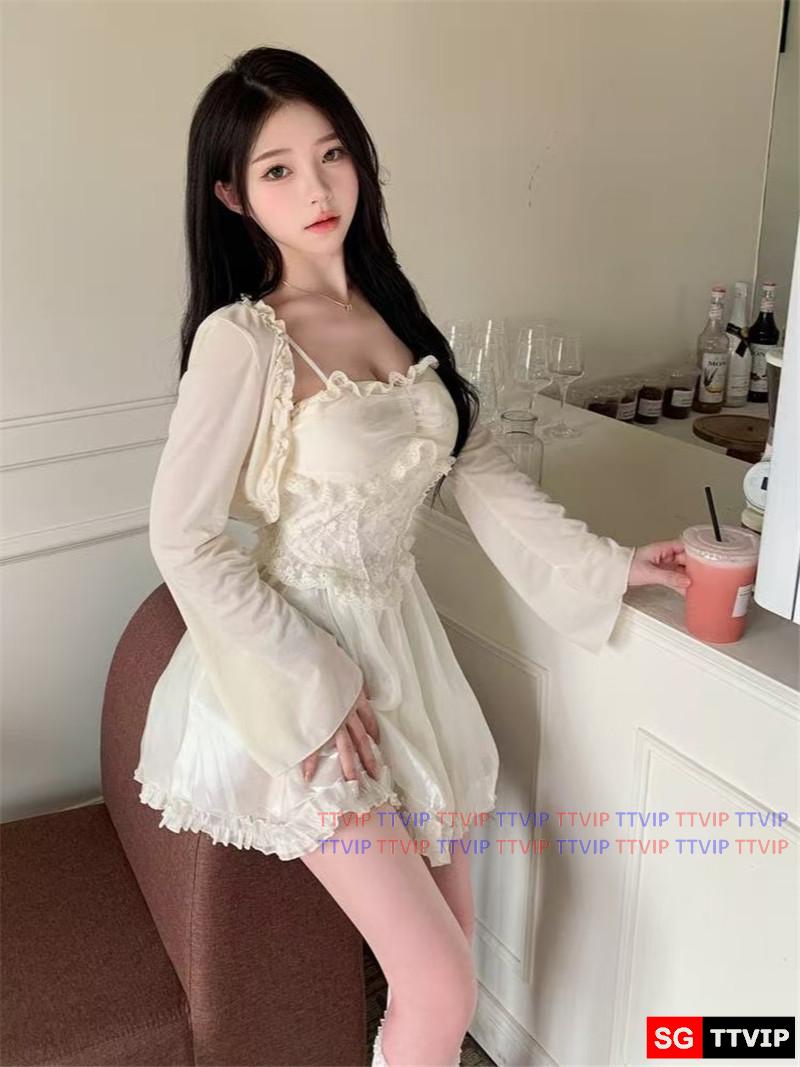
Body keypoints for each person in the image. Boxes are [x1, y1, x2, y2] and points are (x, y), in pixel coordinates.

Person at [133, 46, 692, 1067]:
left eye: (331, 154)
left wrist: (618, 565)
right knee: (437, 982)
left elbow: (482, 472)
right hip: (297, 671)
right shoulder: (244, 339)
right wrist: (315, 680)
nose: (316, 189)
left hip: (408, 657)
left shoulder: (391, 312)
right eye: (277, 169)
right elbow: (184, 535)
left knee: (448, 969)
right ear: (231, 194)